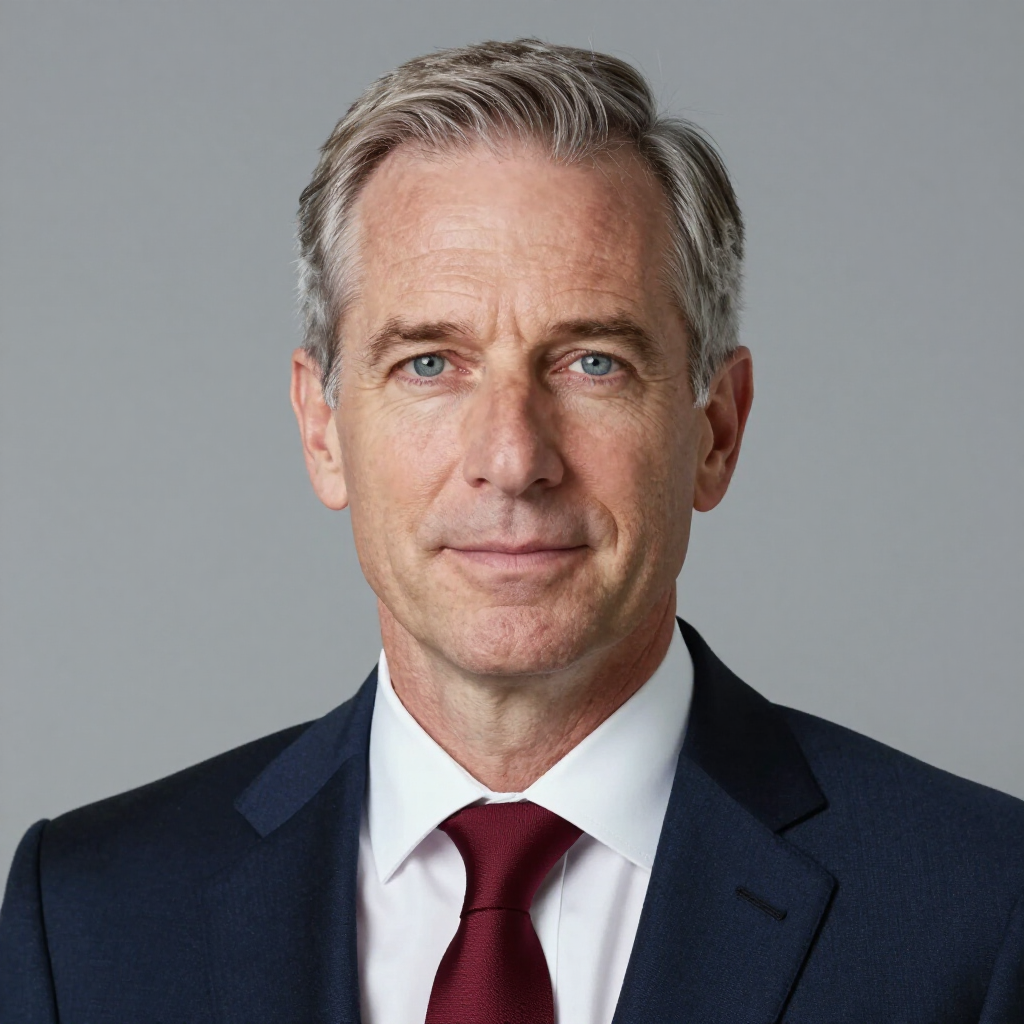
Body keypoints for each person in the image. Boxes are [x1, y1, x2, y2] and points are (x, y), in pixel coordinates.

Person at [1, 38, 1022, 1024]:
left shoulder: (979, 910)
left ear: (715, 429)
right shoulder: (89, 917)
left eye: (591, 362)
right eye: (430, 364)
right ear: (322, 429)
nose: (512, 456)